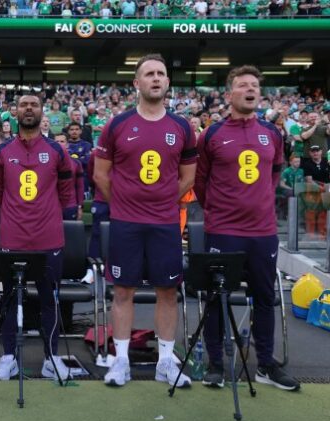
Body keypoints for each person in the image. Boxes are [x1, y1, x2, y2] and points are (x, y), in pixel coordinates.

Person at [194, 65, 300, 391]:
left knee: (265, 298)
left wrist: (259, 203)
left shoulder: (272, 133)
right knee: (216, 296)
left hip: (263, 231)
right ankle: (215, 364)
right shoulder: (211, 134)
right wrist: (222, 210)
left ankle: (266, 365)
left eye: (255, 85)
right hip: (223, 230)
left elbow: (274, 173)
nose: (250, 89)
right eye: (243, 85)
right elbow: (201, 183)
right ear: (230, 94)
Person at [93, 53, 196, 388]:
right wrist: (124, 204)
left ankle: (165, 362)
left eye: (161, 74)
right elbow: (101, 174)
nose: (155, 78)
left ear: (167, 82)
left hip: (165, 223)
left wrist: (164, 201)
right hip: (126, 223)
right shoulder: (118, 124)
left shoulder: (181, 127)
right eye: (149, 73)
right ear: (136, 83)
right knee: (123, 290)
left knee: (168, 290)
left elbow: (188, 176)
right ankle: (120, 361)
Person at [0, 94, 75, 381]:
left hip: (48, 238)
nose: (28, 109)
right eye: (23, 105)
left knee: (50, 299)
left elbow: (65, 192)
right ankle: (9, 357)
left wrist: (46, 215)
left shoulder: (56, 150)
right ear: (15, 112)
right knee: (10, 299)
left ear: (42, 111)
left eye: (34, 105)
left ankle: (51, 358)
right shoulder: (2, 151)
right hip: (13, 237)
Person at [302, 145, 330, 239]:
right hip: (313, 190)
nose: (315, 153)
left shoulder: (327, 162)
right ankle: (311, 234)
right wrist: (322, 188)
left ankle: (323, 234)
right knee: (311, 212)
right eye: (313, 151)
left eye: (317, 151)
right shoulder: (307, 164)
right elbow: (309, 180)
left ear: (321, 152)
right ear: (310, 153)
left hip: (326, 190)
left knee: (324, 212)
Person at [54, 133, 84, 221]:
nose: (59, 143)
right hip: (52, 206)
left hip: (70, 206)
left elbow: (80, 187)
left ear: (67, 144)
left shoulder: (76, 163)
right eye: (57, 141)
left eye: (62, 141)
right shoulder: (47, 164)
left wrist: (79, 207)